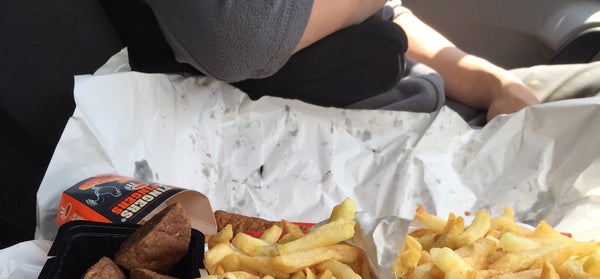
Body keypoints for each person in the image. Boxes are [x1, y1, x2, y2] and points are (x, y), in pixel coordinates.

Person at [139, 0, 599, 124]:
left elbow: (387, 14)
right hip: (350, 144)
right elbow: (239, 40)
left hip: (433, 98)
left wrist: (495, 84)